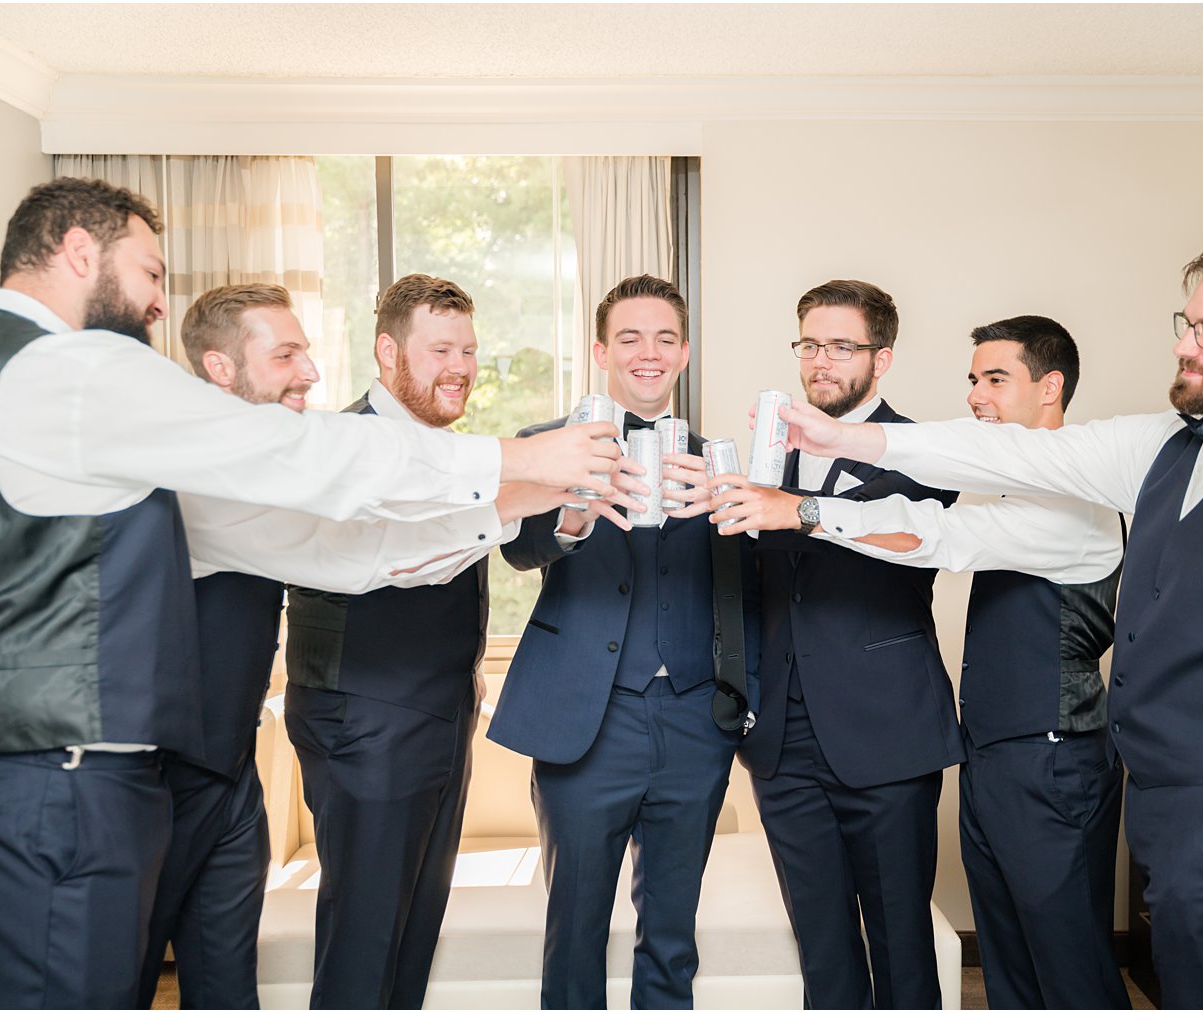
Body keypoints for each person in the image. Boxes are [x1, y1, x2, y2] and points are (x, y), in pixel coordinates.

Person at [0, 177, 622, 1009]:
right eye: (151, 273)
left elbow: (343, 550)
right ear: (78, 252)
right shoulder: (75, 370)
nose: (159, 304)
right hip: (59, 785)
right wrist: (524, 458)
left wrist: (525, 497)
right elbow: (314, 460)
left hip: (9, 777)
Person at [776, 240, 1203, 1009]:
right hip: (1163, 806)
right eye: (1188, 322)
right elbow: (1001, 453)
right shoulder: (1161, 447)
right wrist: (841, 438)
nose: (1184, 343)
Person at [137, 282, 603, 1007]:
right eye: (286, 353)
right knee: (137, 972)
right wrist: (531, 466)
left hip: (260, 760)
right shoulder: (308, 452)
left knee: (248, 975)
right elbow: (370, 547)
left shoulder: (320, 459)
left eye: (469, 350)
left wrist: (540, 492)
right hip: (300, 740)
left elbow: (384, 552)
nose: (311, 373)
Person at [752, 315, 1132, 1009]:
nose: (976, 397)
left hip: (1055, 760)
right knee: (1011, 964)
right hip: (993, 754)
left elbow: (939, 534)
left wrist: (802, 507)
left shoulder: (1079, 501)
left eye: (995, 379)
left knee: (1071, 967)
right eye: (973, 380)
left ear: (1050, 387)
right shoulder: (1020, 485)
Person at [279, 274, 624, 1009]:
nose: (460, 367)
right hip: (365, 720)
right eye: (440, 349)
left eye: (468, 349)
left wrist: (570, 491)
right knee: (364, 940)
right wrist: (543, 476)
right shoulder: (347, 445)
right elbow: (407, 548)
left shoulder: (451, 452)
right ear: (386, 350)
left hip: (437, 718)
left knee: (410, 939)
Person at [488, 274, 759, 1009]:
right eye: (631, 337)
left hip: (693, 723)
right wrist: (576, 513)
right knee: (573, 929)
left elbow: (750, 585)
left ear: (685, 352)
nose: (649, 353)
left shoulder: (724, 461)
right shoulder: (544, 443)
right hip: (583, 720)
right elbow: (517, 551)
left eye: (665, 338)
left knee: (672, 934)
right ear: (602, 350)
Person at [703, 280, 962, 1009]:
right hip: (783, 743)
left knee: (902, 952)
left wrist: (792, 510)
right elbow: (747, 589)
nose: (821, 362)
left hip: (886, 735)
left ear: (882, 359)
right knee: (823, 955)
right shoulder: (765, 454)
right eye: (810, 344)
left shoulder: (921, 451)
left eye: (842, 346)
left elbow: (903, 526)